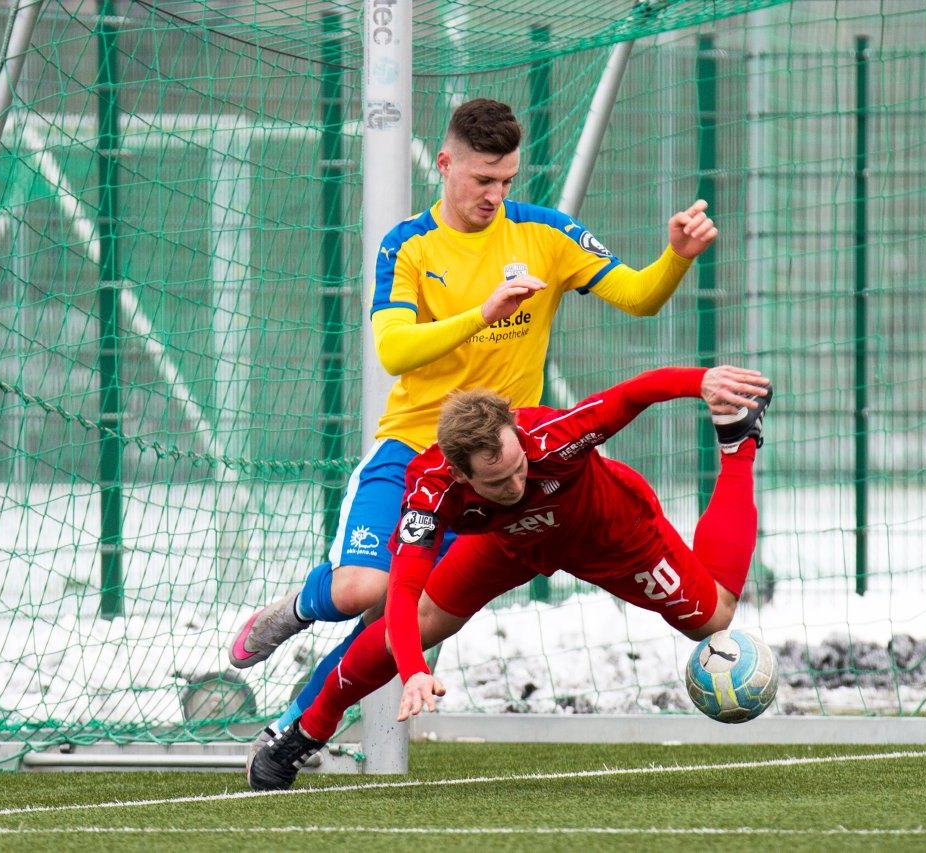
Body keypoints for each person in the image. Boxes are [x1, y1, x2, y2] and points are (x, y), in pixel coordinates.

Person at [226, 97, 720, 741]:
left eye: (507, 180)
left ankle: (293, 727)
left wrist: (675, 256)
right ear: (445, 164)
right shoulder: (407, 244)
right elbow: (394, 348)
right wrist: (484, 312)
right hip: (411, 449)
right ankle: (296, 608)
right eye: (483, 179)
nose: (495, 194)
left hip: (494, 471)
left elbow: (639, 297)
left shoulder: (547, 234)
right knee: (359, 590)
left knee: (399, 618)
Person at [246, 362, 773, 790]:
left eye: (519, 465)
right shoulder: (431, 491)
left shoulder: (553, 435)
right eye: (498, 481)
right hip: (508, 547)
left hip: (613, 534)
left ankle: (737, 442)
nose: (518, 482)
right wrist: (414, 673)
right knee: (415, 621)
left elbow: (633, 393)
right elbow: (405, 592)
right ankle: (302, 735)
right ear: (460, 472)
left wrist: (699, 381)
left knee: (716, 618)